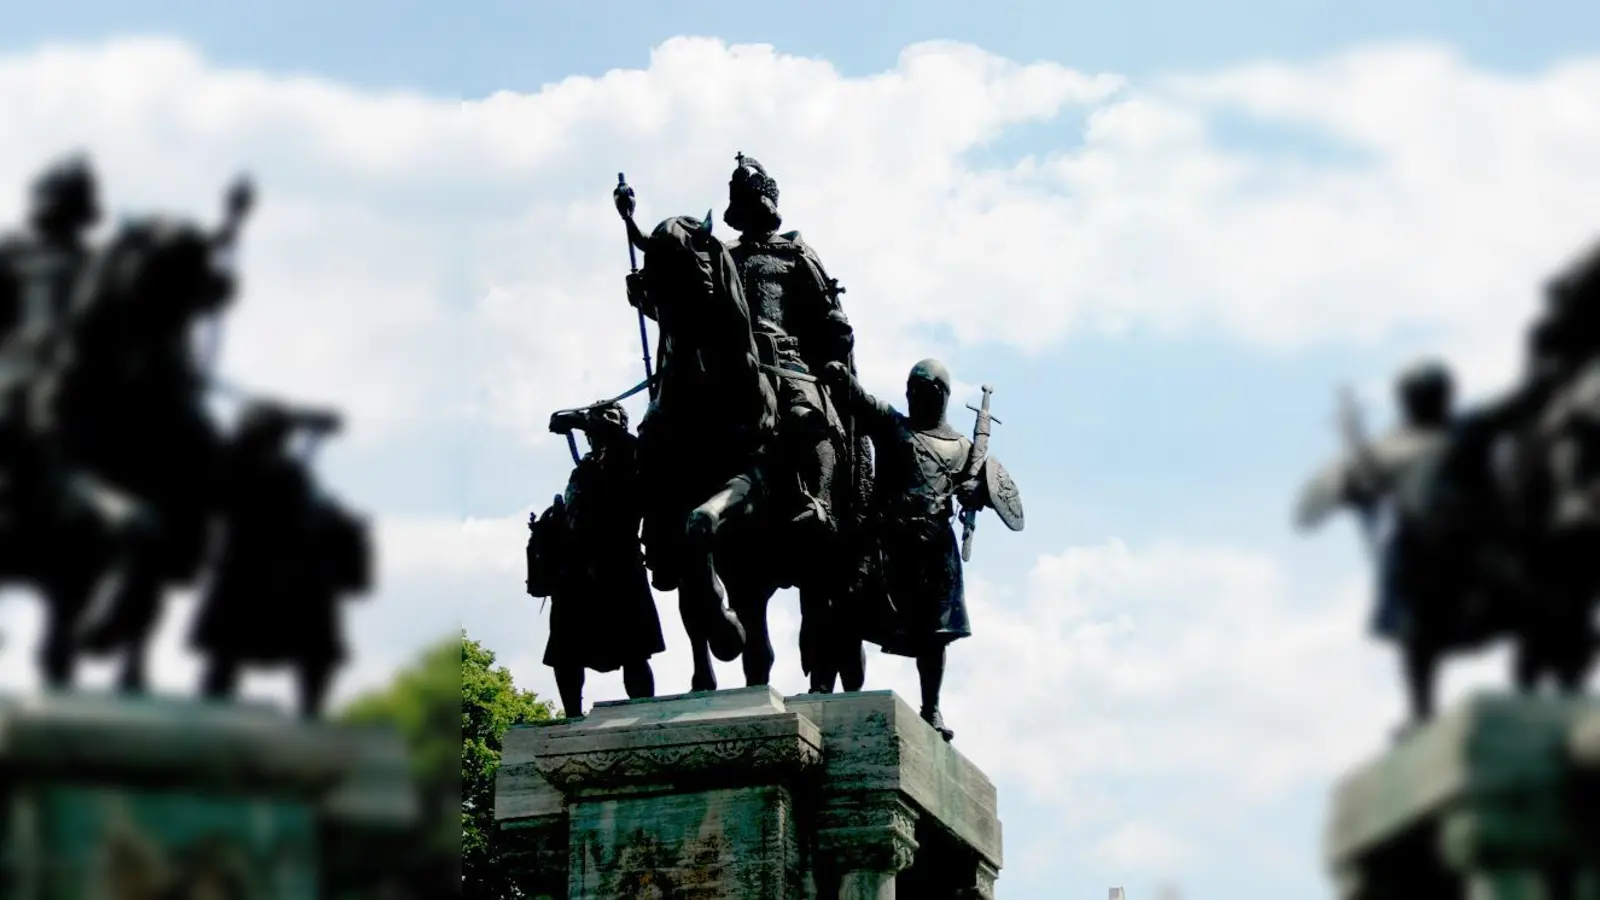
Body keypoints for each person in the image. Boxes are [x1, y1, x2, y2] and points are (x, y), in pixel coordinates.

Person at [822, 358, 978, 741]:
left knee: (935, 634)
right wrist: (843, 379)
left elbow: (985, 490)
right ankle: (824, 688)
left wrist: (977, 492)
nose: (913, 398)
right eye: (910, 391)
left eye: (922, 392)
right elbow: (862, 402)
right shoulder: (893, 425)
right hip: (887, 542)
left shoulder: (962, 448)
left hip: (935, 549)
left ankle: (932, 707)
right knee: (846, 611)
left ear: (940, 396)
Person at [532, 402, 665, 717]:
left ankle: (641, 713)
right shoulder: (583, 468)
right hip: (575, 570)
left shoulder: (631, 455)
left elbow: (618, 439)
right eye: (599, 417)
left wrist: (581, 420)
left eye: (610, 416)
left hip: (618, 564)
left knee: (634, 651)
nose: (603, 422)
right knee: (565, 652)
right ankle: (572, 717)